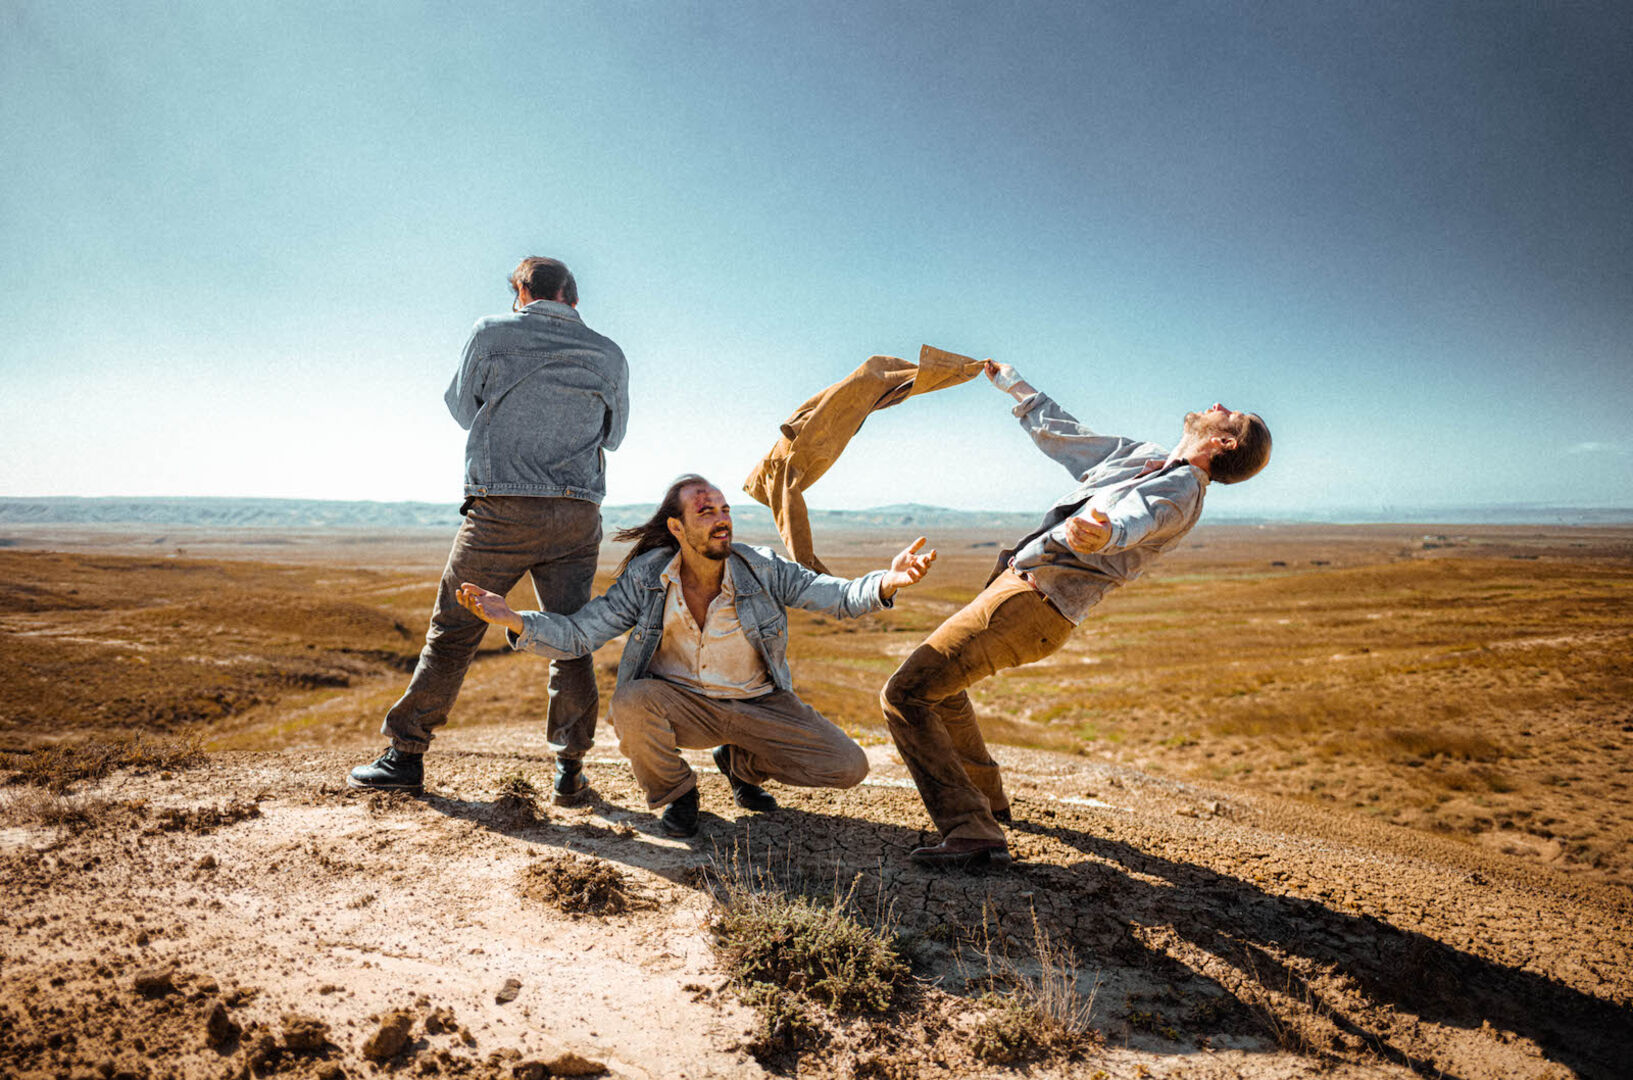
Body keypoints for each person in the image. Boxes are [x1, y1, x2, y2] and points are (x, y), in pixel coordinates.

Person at [881, 360, 1272, 867]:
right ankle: (989, 804)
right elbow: (1071, 437)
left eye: (1229, 415)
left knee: (905, 693)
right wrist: (1013, 385)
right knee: (944, 687)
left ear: (1224, 443)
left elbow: (1135, 522)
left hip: (1031, 604)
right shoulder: (1147, 458)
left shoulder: (1181, 493)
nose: (1217, 405)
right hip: (1018, 590)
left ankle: (970, 829)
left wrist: (1104, 533)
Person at [453, 475, 937, 837]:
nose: (721, 517)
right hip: (681, 705)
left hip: (757, 705)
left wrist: (887, 582)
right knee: (632, 701)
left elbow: (832, 594)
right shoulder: (647, 578)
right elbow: (581, 633)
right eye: (705, 510)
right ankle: (677, 794)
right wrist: (516, 621)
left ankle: (741, 765)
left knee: (848, 767)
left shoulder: (760, 566)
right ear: (677, 527)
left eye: (725, 508)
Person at [348, 257, 629, 802]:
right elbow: (613, 437)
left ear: (523, 291)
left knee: (454, 629)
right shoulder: (609, 352)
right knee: (571, 637)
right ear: (572, 294)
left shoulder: (491, 332)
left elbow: (460, 407)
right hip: (577, 512)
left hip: (502, 507)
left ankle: (405, 756)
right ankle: (570, 771)